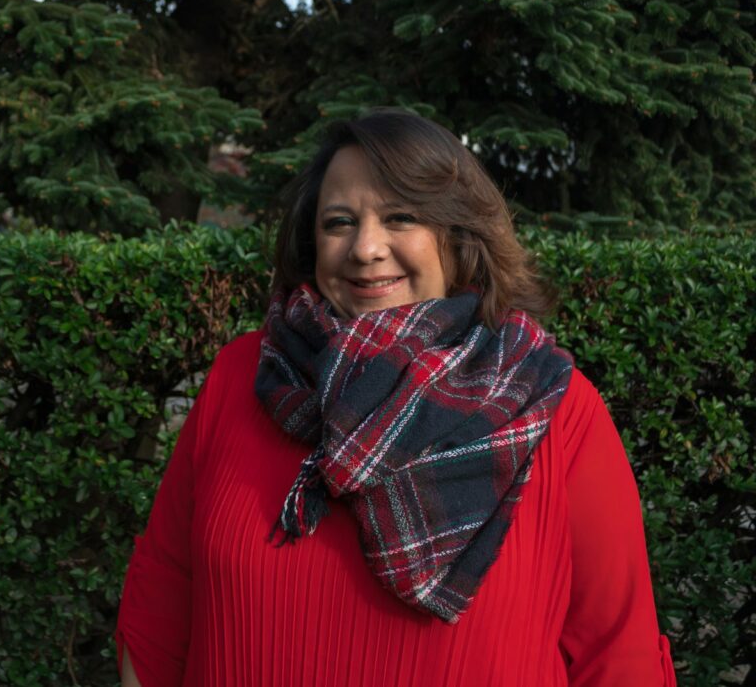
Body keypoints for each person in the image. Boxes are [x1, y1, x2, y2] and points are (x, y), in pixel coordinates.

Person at [116, 109, 677, 686]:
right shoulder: (245, 376)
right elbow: (163, 597)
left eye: (401, 217)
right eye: (339, 222)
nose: (365, 248)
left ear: (459, 236)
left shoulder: (554, 407)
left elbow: (617, 651)